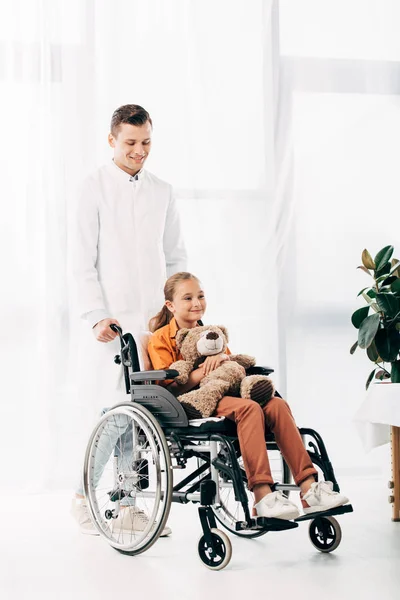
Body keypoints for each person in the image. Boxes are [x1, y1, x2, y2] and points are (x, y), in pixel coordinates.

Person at [148, 272, 349, 520]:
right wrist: (201, 371)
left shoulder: (212, 333)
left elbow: (232, 369)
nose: (197, 303)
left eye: (200, 296)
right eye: (187, 298)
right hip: (190, 403)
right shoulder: (160, 339)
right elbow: (168, 387)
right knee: (249, 409)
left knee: (276, 404)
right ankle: (263, 495)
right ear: (171, 305)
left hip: (226, 393)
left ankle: (310, 489)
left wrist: (222, 359)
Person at [70, 104, 186, 534]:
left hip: (152, 323)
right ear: (112, 141)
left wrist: (177, 310)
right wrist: (96, 315)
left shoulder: (162, 190)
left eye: (147, 142)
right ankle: (83, 496)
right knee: (116, 413)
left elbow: (176, 256)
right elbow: (81, 260)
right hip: (111, 323)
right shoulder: (93, 188)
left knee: (144, 416)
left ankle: (126, 506)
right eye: (131, 143)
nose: (140, 151)